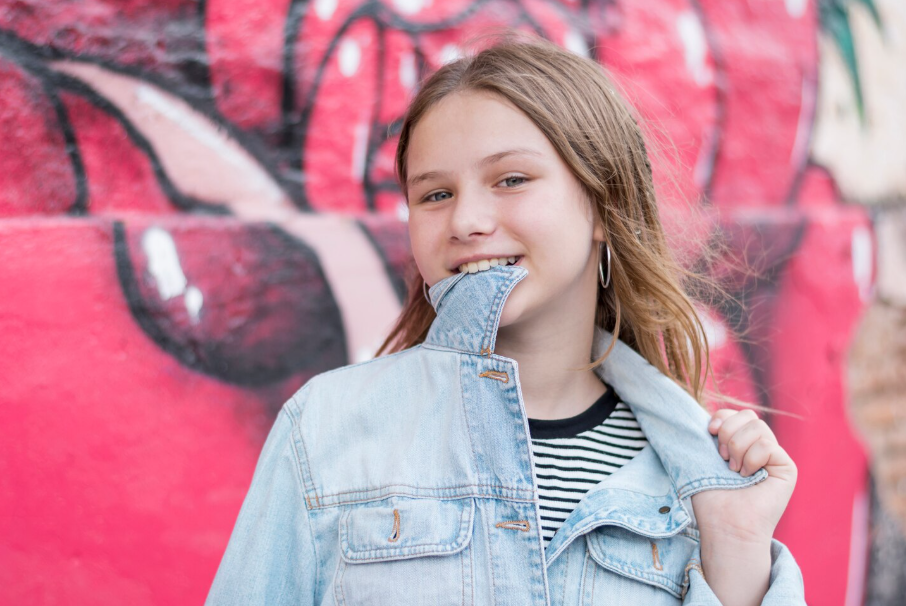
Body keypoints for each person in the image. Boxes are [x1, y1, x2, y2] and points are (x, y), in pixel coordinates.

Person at [206, 32, 805, 605]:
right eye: (435, 194)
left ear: (604, 205)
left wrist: (736, 550)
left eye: (511, 180)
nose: (466, 221)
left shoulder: (698, 479)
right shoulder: (325, 428)